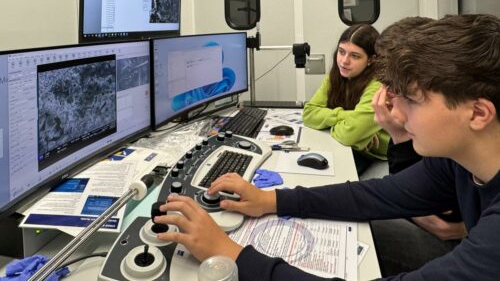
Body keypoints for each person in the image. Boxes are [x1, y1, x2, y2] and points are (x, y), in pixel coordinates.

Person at [154, 14, 500, 281]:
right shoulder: (457, 162)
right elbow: (374, 196)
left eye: (411, 99)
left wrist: (231, 255)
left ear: (478, 113)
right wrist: (271, 200)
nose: (394, 111)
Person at [371, 16, 466, 274]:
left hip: (457, 248)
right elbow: (413, 195)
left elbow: (440, 221)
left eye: (396, 83)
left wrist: (400, 136)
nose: (387, 92)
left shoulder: (445, 127)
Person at [302, 24, 389, 175]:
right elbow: (309, 114)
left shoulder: (378, 84)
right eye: (341, 52)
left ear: (371, 60)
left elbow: (348, 136)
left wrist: (353, 131)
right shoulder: (335, 76)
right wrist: (354, 122)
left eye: (355, 56)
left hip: (371, 154)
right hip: (348, 145)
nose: (344, 61)